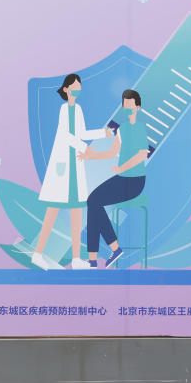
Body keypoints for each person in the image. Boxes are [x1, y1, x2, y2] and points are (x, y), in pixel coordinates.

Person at [32, 73, 113, 270]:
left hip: (75, 167)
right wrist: (86, 149)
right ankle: (38, 254)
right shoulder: (63, 110)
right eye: (74, 86)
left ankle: (77, 259)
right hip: (62, 167)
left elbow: (82, 133)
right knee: (52, 211)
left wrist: (103, 133)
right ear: (66, 89)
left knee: (77, 213)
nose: (77, 89)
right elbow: (67, 136)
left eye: (79, 86)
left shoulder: (78, 110)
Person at [79, 89, 148, 269]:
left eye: (131, 108)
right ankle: (95, 259)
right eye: (125, 109)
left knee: (93, 202)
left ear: (138, 108)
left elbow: (141, 155)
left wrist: (122, 167)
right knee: (93, 202)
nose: (128, 112)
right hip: (122, 177)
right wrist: (89, 156)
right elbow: (111, 152)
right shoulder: (122, 129)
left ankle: (108, 252)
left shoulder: (140, 128)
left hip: (135, 181)